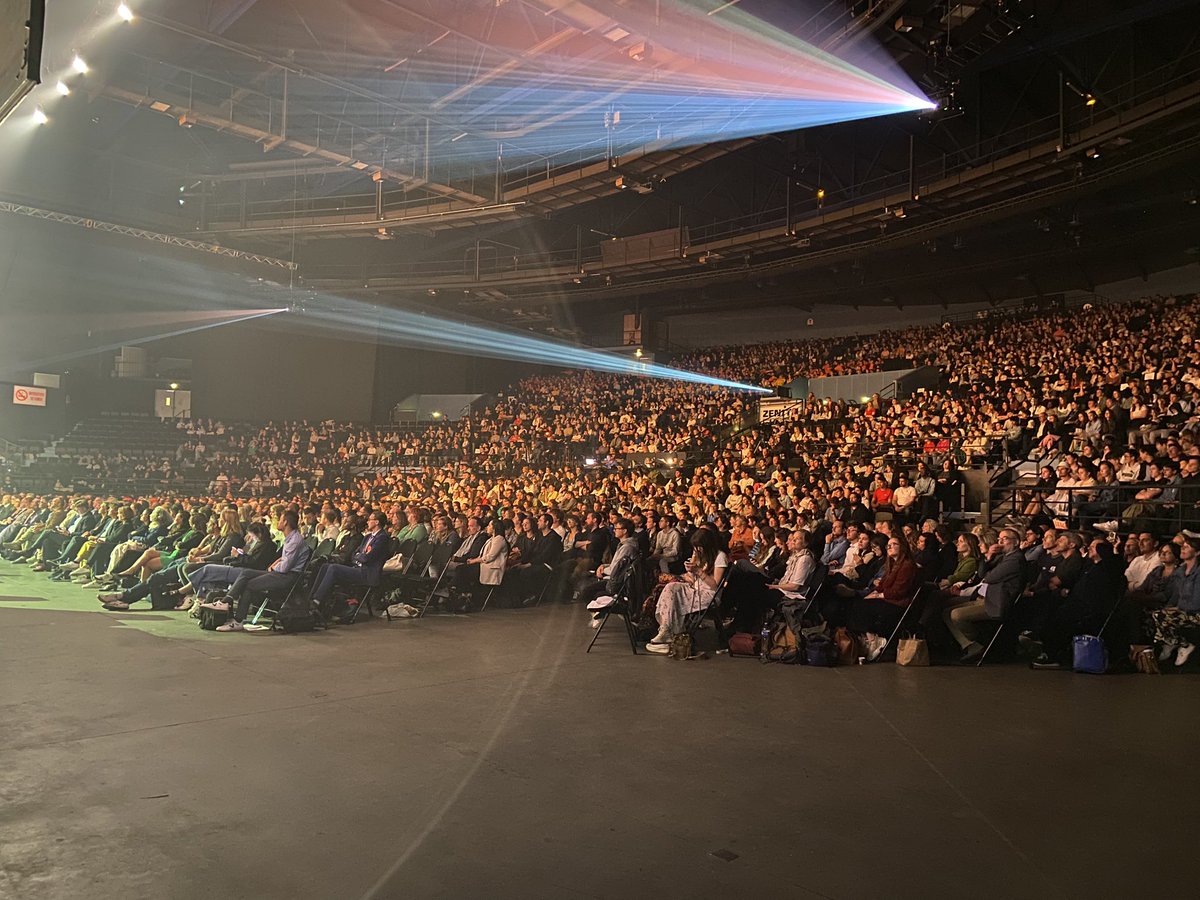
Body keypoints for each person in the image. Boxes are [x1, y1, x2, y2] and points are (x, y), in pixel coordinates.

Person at [215, 510, 312, 632]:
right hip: (281, 574)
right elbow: (284, 559)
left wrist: (273, 567)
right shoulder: (290, 538)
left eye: (280, 520)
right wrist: (277, 564)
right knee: (246, 573)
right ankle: (226, 601)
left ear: (286, 522)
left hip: (287, 577)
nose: (278, 522)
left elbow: (285, 567)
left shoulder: (295, 541)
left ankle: (238, 620)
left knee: (249, 584)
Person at [944, 528, 1027, 664]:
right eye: (999, 539)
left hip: (996, 602)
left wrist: (989, 569)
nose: (1000, 542)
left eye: (1004, 539)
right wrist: (988, 557)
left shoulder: (1014, 559)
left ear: (1016, 542)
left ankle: (979, 643)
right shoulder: (1002, 557)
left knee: (956, 615)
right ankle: (970, 645)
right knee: (946, 612)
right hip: (985, 597)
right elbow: (983, 574)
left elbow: (990, 578)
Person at [646, 528, 727, 654]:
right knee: (670, 587)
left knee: (674, 592)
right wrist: (690, 568)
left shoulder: (720, 556)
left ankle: (670, 631)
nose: (697, 550)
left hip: (708, 593)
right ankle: (665, 628)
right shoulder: (700, 554)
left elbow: (715, 585)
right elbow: (692, 578)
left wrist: (698, 571)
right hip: (695, 587)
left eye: (699, 547)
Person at [309, 510, 391, 616]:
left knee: (333, 568)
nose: (367, 522)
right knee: (325, 566)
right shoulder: (367, 537)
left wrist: (359, 556)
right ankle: (312, 598)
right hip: (358, 568)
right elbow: (354, 554)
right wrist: (359, 556)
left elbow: (367, 558)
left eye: (370, 519)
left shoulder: (382, 538)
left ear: (377, 522)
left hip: (368, 573)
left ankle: (317, 601)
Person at [1147, 536, 1200, 666]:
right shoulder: (1180, 572)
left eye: (1187, 547)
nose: (1183, 548)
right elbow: (1176, 595)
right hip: (1184, 609)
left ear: (1197, 552)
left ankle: (1183, 644)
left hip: (1196, 612)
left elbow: (1196, 600)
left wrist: (1178, 608)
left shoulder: (1198, 573)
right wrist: (1171, 606)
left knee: (1165, 616)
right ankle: (1171, 642)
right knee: (1158, 614)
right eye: (1183, 546)